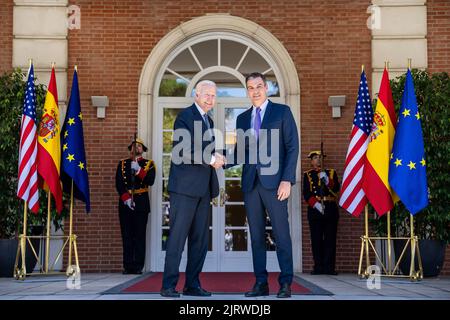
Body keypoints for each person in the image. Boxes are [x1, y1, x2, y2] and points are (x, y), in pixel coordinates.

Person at [226, 72, 299, 298]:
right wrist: (217, 159)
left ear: (266, 88)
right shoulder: (241, 118)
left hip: (276, 183)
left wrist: (287, 180)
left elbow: (292, 147)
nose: (255, 91)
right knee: (256, 236)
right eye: (250, 87)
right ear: (247, 91)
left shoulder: (282, 112)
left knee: (281, 234)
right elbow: (239, 153)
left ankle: (285, 283)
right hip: (251, 184)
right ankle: (261, 283)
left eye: (258, 86)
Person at [160, 80, 225, 298]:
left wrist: (218, 157)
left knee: (199, 241)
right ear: (196, 95)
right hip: (185, 189)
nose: (210, 99)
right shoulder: (185, 117)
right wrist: (211, 158)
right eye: (206, 94)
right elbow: (182, 150)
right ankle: (168, 285)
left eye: (214, 95)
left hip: (203, 189)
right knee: (178, 239)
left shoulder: (209, 120)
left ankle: (192, 285)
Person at [115, 138, 155, 274]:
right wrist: (126, 198)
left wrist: (139, 171)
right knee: (126, 235)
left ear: (143, 149)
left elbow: (151, 180)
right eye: (133, 146)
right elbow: (119, 184)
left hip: (141, 202)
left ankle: (138, 266)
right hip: (125, 203)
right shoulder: (122, 164)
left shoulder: (149, 164)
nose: (136, 148)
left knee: (139, 236)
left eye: (139, 146)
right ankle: (128, 266)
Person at [303, 150, 340, 275]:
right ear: (311, 161)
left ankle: (329, 268)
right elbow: (306, 193)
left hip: (330, 208)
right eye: (315, 158)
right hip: (315, 210)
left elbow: (336, 189)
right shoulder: (307, 175)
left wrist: (327, 180)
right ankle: (318, 267)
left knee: (330, 239)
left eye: (320, 157)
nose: (318, 160)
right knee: (316, 239)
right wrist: (316, 204)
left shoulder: (331, 173)